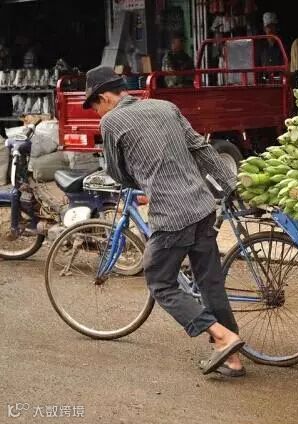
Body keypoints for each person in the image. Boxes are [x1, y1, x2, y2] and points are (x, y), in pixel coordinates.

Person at [83, 66, 246, 377]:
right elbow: (200, 147)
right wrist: (229, 185)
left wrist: (142, 180)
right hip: (202, 206)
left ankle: (223, 336)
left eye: (94, 106)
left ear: (104, 97)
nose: (96, 112)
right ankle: (232, 359)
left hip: (172, 215)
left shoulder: (111, 122)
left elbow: (118, 173)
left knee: (160, 283)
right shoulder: (165, 106)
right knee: (210, 282)